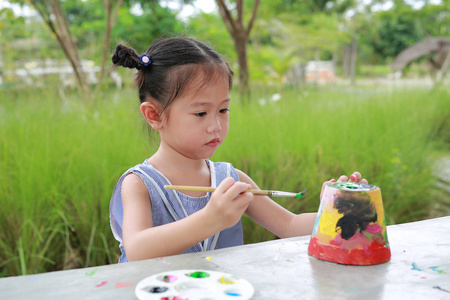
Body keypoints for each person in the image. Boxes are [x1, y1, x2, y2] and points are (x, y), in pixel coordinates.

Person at [109, 37, 367, 263]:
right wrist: (211, 219)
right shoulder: (140, 184)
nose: (216, 125)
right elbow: (138, 249)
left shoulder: (231, 180)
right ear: (154, 115)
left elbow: (289, 225)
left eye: (223, 110)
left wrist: (333, 209)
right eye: (200, 113)